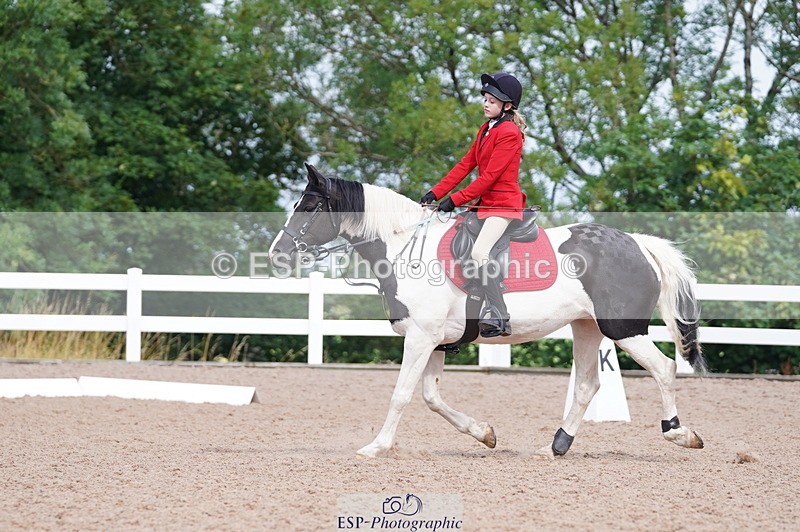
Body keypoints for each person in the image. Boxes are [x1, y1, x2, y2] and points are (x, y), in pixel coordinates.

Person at [420, 72, 527, 338]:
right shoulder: (486, 129)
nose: (486, 104)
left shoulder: (510, 133)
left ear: (508, 105)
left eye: (492, 100)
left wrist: (454, 200)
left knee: (480, 253)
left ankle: (500, 314)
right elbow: (466, 165)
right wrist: (436, 192)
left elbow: (489, 177)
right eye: (486, 99)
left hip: (503, 206)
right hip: (484, 204)